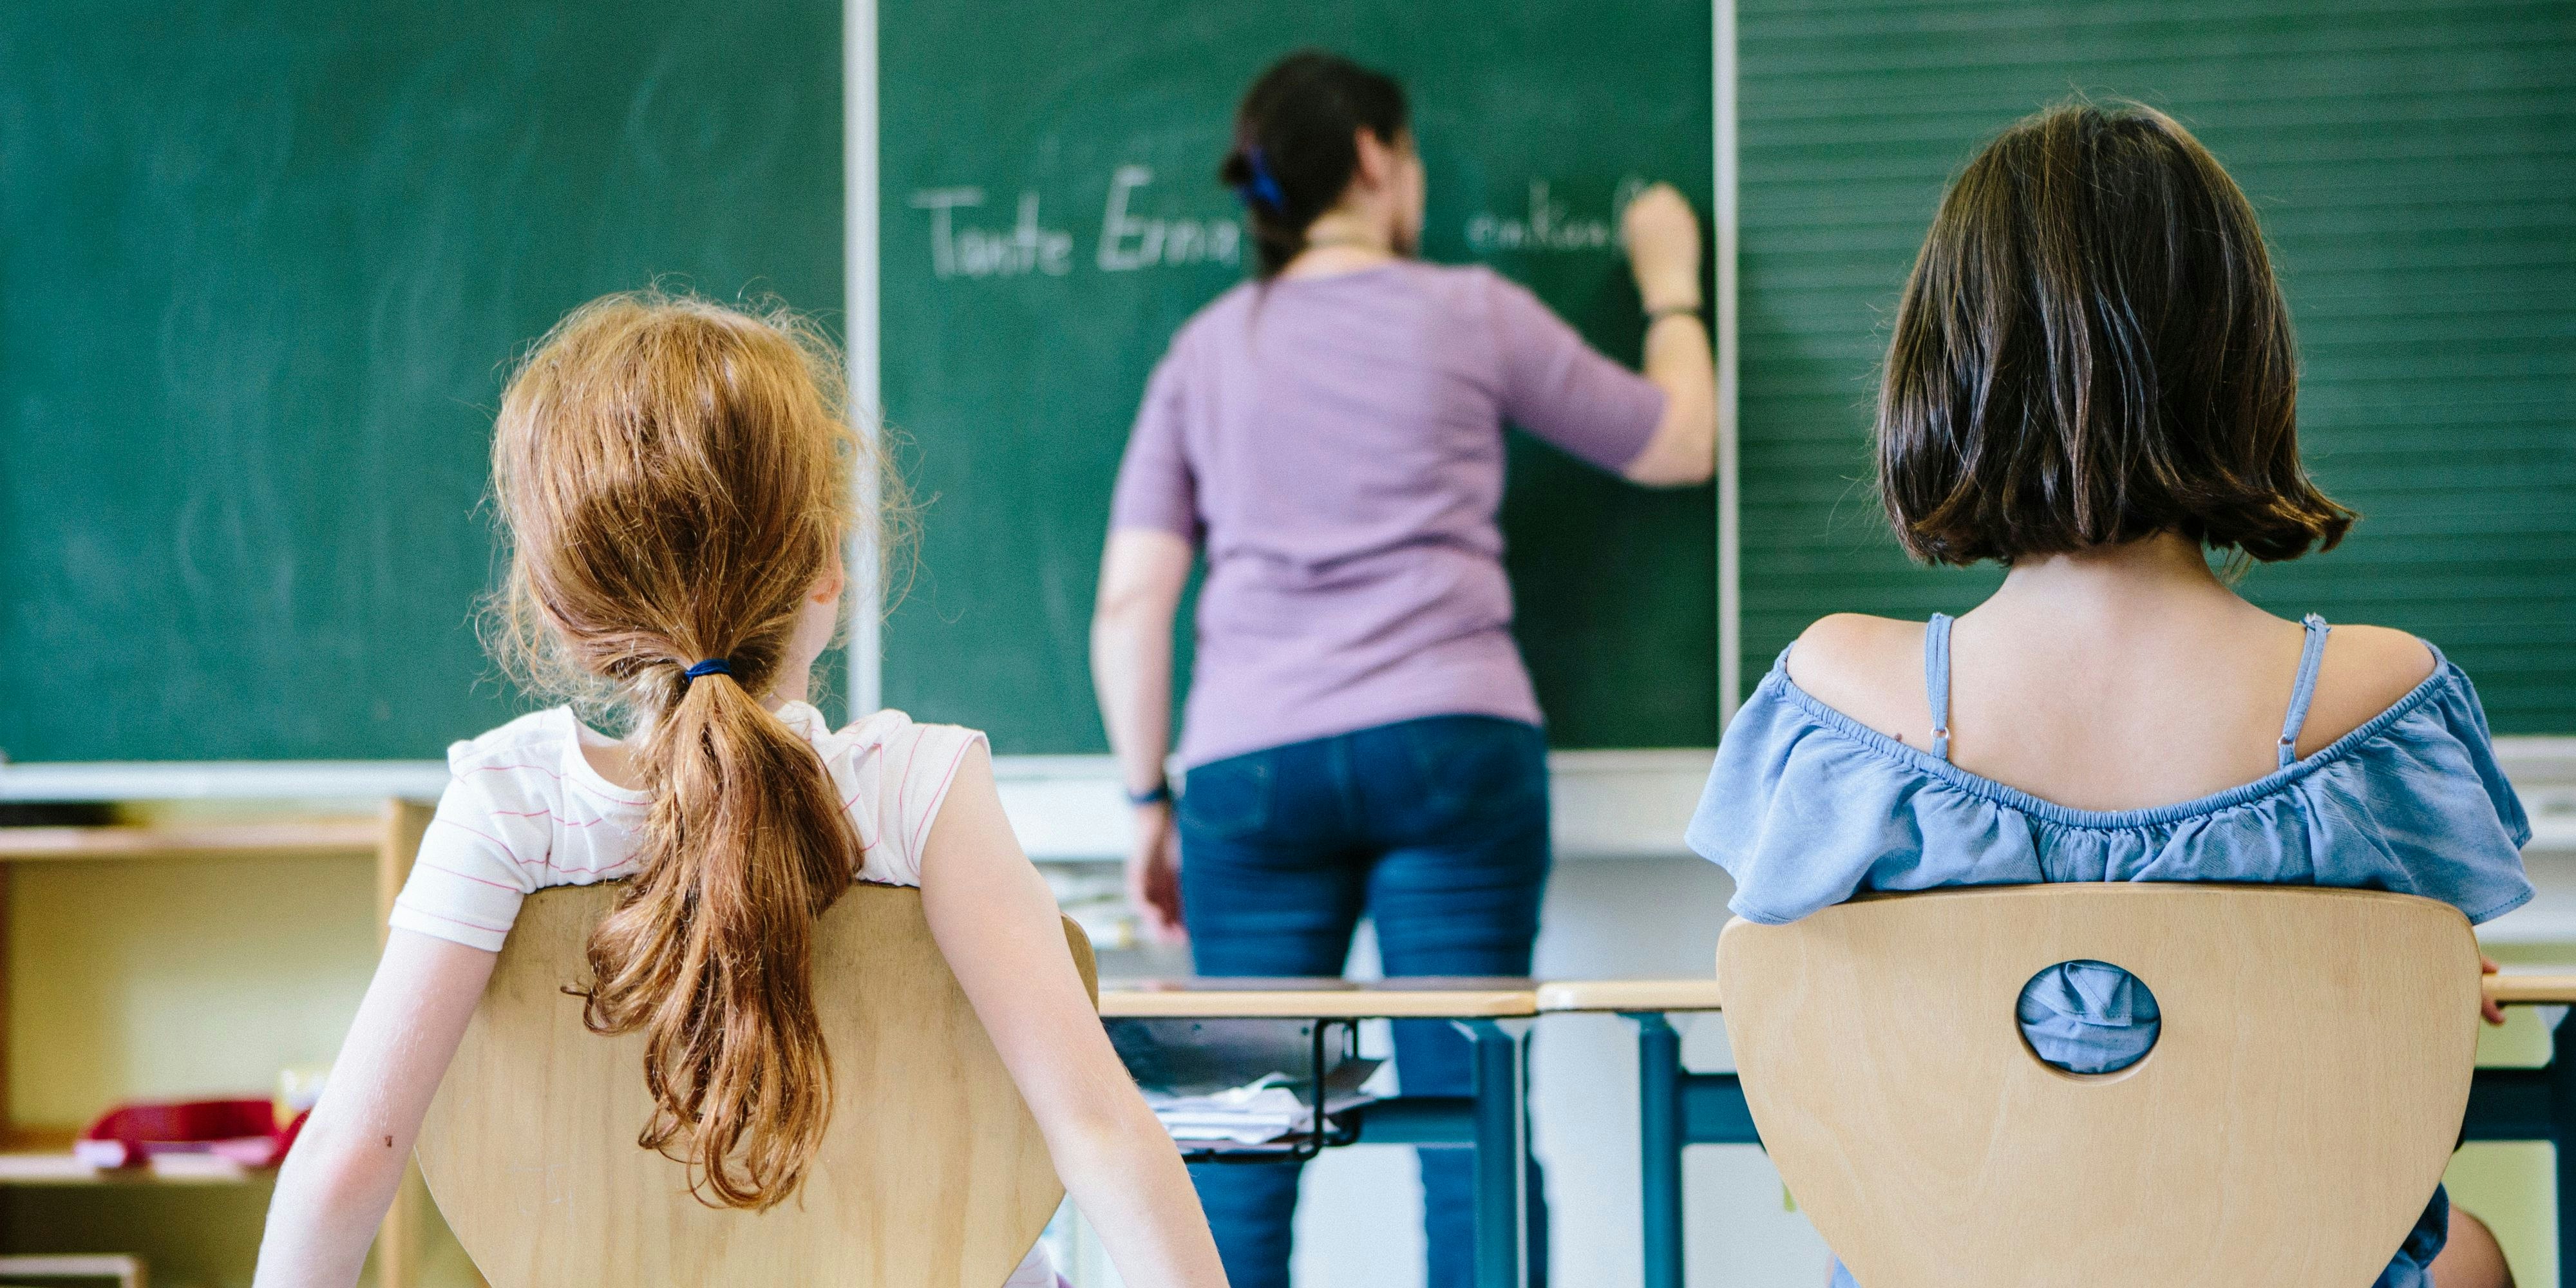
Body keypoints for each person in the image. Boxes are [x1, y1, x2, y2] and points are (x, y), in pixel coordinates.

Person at [1684, 102, 2528, 1288]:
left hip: (1950, 1270)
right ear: (2245, 362)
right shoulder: (2380, 706)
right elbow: (2429, 1004)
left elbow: (1791, 980)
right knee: (2473, 1256)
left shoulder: (1839, 708)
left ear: (1948, 364)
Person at [251, 294, 1228, 1288]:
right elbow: (1102, 1134)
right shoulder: (921, 789)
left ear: (557, 612)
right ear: (826, 569)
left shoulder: (509, 807)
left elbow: (343, 1166)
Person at [1089, 48, 1716, 1288]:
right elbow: (1678, 443)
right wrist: (1672, 284)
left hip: (1251, 776)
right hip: (1450, 742)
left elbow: (1131, 603)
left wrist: (1147, 804)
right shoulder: (1471, 310)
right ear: (1375, 158)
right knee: (1473, 1117)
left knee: (1246, 1141)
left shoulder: (1205, 352)